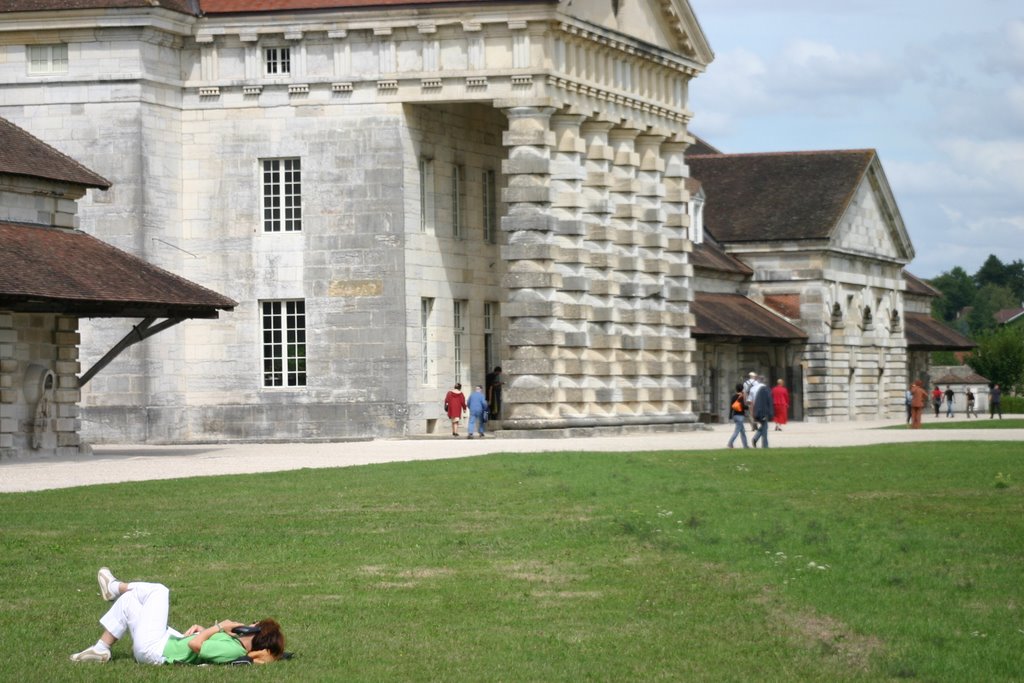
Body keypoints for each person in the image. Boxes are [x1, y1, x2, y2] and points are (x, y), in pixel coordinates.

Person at [71, 568, 285, 665]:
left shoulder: (233, 649)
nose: (249, 623)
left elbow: (195, 647)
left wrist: (219, 627)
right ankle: (101, 648)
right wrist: (205, 630)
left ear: (255, 631)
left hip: (155, 650)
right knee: (131, 600)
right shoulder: (232, 642)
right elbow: (200, 642)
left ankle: (114, 587)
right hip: (161, 644)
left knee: (159, 591)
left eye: (254, 623)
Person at [751, 375, 774, 447]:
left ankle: (755, 438)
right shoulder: (765, 389)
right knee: (765, 430)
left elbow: (752, 402)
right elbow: (767, 402)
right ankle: (765, 445)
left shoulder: (754, 388)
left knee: (764, 427)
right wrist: (770, 413)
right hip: (763, 412)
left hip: (757, 411)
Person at [726, 383, 749, 449]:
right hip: (740, 416)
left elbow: (731, 407)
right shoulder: (741, 397)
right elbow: (743, 406)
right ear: (742, 389)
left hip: (735, 415)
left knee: (742, 431)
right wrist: (748, 407)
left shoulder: (733, 396)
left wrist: (730, 416)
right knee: (737, 431)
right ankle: (730, 443)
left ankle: (745, 445)